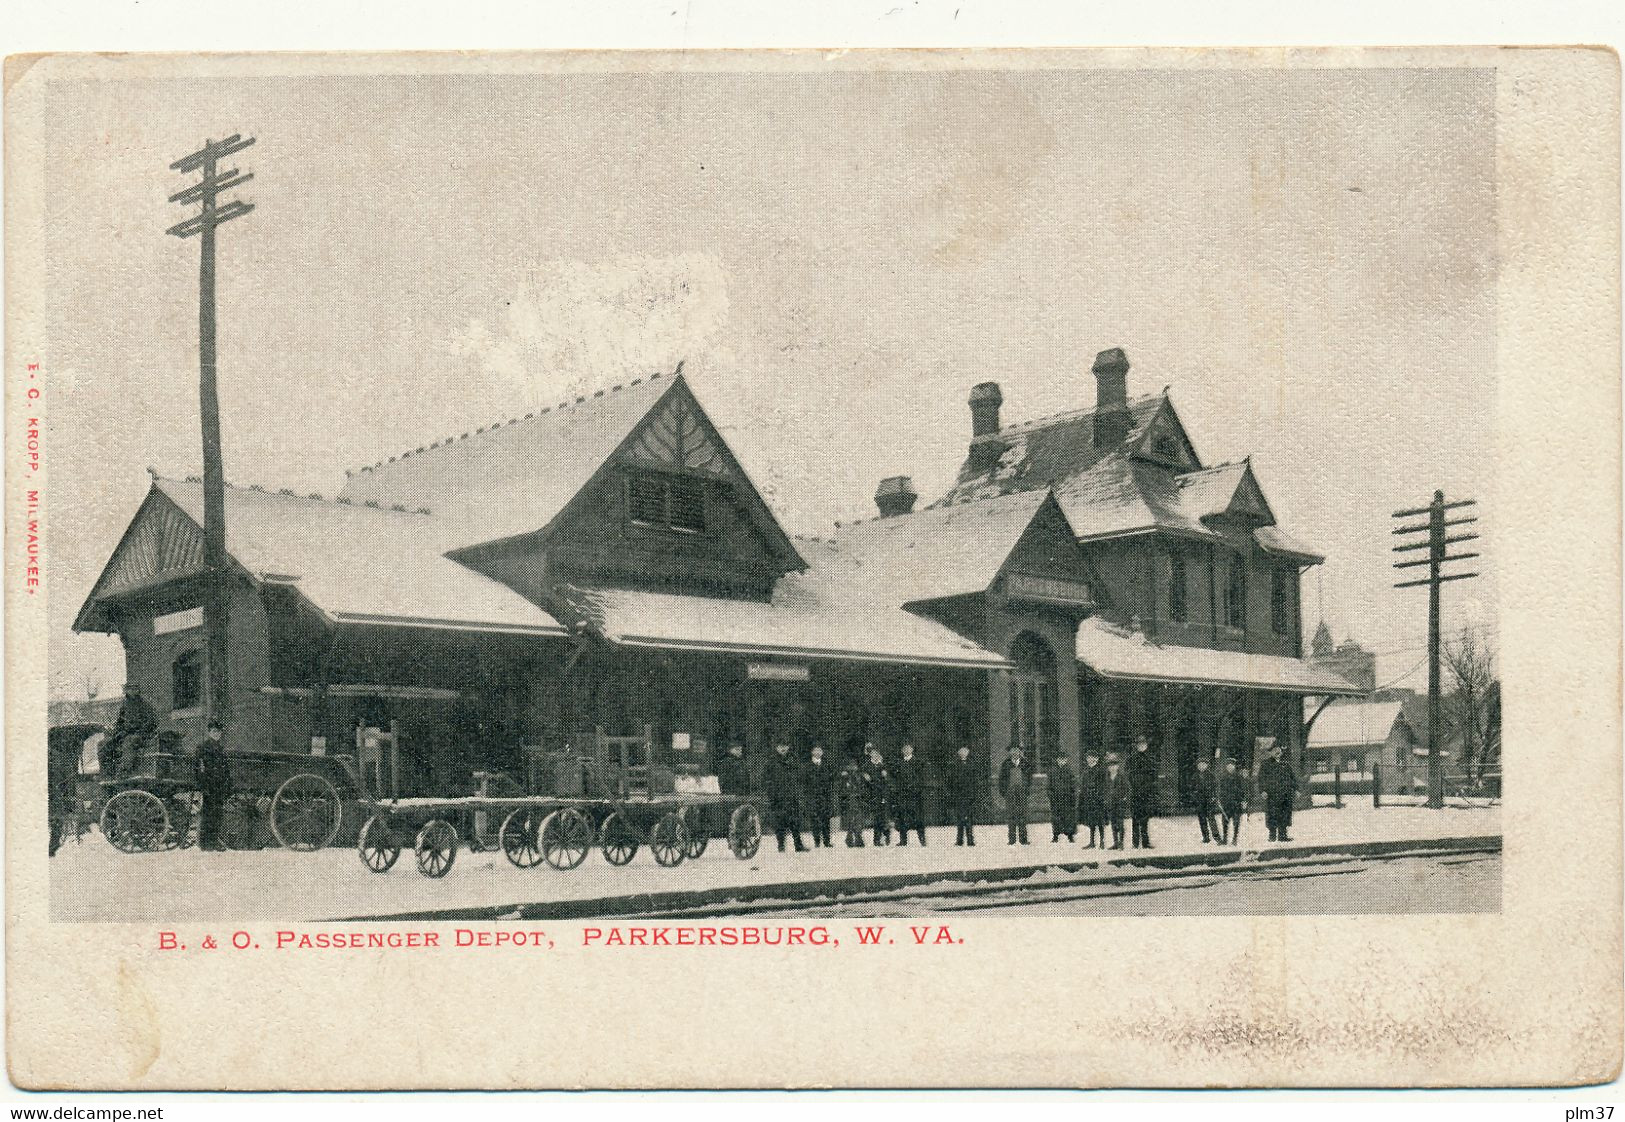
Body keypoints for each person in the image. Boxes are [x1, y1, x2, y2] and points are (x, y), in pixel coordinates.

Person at [103, 684, 157, 778]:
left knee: (129, 742)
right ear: (126, 690)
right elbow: (119, 723)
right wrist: (117, 734)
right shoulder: (125, 705)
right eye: (130, 689)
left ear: (138, 690)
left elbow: (152, 722)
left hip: (142, 736)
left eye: (135, 689)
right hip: (125, 735)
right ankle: (107, 773)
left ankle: (125, 771)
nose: (132, 691)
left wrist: (138, 731)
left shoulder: (145, 705)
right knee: (104, 745)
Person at [194, 721, 232, 851]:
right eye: (214, 732)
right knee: (208, 813)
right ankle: (206, 843)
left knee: (217, 814)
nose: (217, 734)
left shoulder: (221, 749)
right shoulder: (203, 747)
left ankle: (213, 841)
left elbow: (226, 769)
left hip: (219, 785)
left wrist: (227, 784)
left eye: (219, 732)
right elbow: (198, 767)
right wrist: (202, 784)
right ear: (209, 732)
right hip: (209, 785)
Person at [764, 742, 807, 853]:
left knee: (795, 822)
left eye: (785, 746)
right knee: (779, 822)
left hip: (792, 796)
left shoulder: (793, 760)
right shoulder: (771, 762)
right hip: (778, 797)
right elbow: (766, 780)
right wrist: (772, 794)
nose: (783, 748)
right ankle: (781, 846)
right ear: (776, 747)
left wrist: (797, 791)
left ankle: (798, 845)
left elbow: (800, 777)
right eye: (780, 746)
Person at [1258, 743, 1300, 842]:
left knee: (1285, 814)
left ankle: (1283, 836)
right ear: (1271, 752)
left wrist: (1296, 789)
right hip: (1272, 795)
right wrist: (1263, 790)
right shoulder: (1265, 764)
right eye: (1275, 750)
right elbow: (1261, 779)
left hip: (1285, 794)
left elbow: (1292, 778)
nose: (1277, 752)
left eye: (1279, 750)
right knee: (1272, 814)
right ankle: (1272, 836)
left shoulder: (1285, 764)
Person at [1127, 736, 1159, 849]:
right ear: (1136, 746)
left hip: (1146, 793)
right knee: (1135, 818)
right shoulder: (1131, 759)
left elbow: (1154, 776)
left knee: (1145, 818)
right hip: (1135, 793)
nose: (1141, 746)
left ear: (1146, 745)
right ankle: (1135, 842)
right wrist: (1136, 786)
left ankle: (1145, 842)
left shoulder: (1150, 759)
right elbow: (1129, 776)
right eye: (1139, 744)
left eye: (1143, 744)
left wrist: (1149, 787)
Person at [998, 746, 1034, 845]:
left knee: (1022, 816)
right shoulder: (1005, 764)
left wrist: (1026, 790)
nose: (1015, 753)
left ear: (1020, 752)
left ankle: (1023, 839)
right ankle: (1012, 840)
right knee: (1011, 816)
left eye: (1017, 751)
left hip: (1022, 793)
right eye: (1012, 751)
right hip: (1010, 793)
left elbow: (1029, 779)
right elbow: (1001, 780)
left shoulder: (1025, 764)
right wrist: (1004, 792)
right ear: (1009, 752)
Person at [892, 743, 927, 846]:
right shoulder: (898, 763)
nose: (906, 750)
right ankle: (903, 841)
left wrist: (917, 789)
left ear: (912, 749)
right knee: (902, 817)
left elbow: (921, 778)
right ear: (902, 750)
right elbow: (895, 779)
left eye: (908, 748)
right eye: (904, 749)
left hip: (915, 795)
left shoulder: (918, 762)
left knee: (918, 817)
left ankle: (922, 840)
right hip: (902, 795)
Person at [803, 744, 836, 848]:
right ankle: (817, 841)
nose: (817, 752)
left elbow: (831, 781)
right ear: (812, 752)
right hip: (812, 797)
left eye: (819, 750)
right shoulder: (807, 766)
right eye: (815, 750)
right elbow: (804, 783)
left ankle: (827, 841)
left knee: (826, 819)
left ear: (822, 752)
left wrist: (830, 794)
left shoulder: (827, 765)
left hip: (825, 797)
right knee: (815, 820)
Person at [947, 744, 980, 846]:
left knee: (969, 818)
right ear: (958, 753)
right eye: (961, 751)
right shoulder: (953, 765)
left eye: (965, 751)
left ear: (968, 752)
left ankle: (970, 840)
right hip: (958, 795)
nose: (963, 753)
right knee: (960, 818)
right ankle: (959, 840)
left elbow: (975, 781)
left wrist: (974, 794)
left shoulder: (972, 765)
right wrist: (952, 793)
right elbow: (950, 780)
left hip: (969, 796)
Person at [859, 744, 892, 846]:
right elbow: (863, 782)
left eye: (877, 753)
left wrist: (886, 776)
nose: (875, 755)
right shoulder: (865, 767)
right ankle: (877, 839)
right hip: (873, 795)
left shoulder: (884, 766)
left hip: (884, 794)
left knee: (884, 817)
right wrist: (866, 778)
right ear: (870, 754)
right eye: (873, 753)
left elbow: (889, 780)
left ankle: (885, 834)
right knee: (877, 818)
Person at [1078, 748, 1108, 849]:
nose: (1091, 760)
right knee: (1091, 822)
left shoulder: (1101, 771)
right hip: (1089, 800)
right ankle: (1092, 842)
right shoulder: (1086, 772)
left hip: (1098, 800)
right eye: (1089, 758)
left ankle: (1102, 842)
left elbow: (1104, 785)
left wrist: (1102, 797)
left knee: (1100, 822)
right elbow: (1083, 786)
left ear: (1097, 759)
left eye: (1093, 758)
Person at [1048, 753, 1078, 843]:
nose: (1062, 761)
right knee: (1056, 818)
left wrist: (1073, 796)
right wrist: (1051, 797)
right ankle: (1055, 836)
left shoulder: (1069, 771)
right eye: (1060, 759)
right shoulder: (1052, 771)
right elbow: (1049, 786)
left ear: (1066, 760)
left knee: (1068, 818)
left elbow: (1073, 785)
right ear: (1057, 760)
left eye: (1063, 759)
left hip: (1067, 799)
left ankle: (1070, 836)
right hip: (1056, 799)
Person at [1191, 756, 1221, 844]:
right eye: (1200, 765)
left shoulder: (1211, 775)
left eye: (1204, 764)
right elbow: (1192, 789)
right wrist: (1195, 798)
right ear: (1197, 766)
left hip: (1209, 801)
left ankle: (1217, 837)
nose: (1202, 766)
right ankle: (1206, 837)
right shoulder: (1195, 776)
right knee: (1202, 819)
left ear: (1207, 765)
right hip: (1200, 802)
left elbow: (1215, 788)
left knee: (1211, 819)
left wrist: (1213, 797)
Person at [1217, 757, 1247, 845]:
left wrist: (1243, 800)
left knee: (1236, 822)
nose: (1230, 767)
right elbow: (1220, 790)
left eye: (1232, 765)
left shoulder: (1239, 777)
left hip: (1236, 802)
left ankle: (1235, 839)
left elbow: (1243, 789)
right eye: (1228, 765)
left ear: (1234, 766)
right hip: (1226, 803)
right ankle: (1225, 839)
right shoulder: (1222, 777)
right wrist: (1220, 799)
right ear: (1226, 767)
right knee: (1225, 821)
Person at [1104, 753, 1131, 850]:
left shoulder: (1122, 776)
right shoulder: (1106, 777)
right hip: (1111, 803)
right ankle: (1115, 842)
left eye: (1114, 765)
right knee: (1113, 823)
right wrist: (1106, 800)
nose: (1112, 767)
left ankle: (1121, 842)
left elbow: (1128, 789)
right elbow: (1105, 789)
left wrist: (1124, 798)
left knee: (1120, 823)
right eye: (1110, 765)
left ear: (1118, 766)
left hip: (1120, 803)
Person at [838, 760, 867, 848]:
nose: (852, 768)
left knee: (857, 819)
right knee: (851, 819)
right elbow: (841, 789)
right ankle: (853, 838)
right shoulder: (844, 777)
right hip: (848, 801)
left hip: (857, 800)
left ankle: (855, 838)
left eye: (854, 766)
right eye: (850, 766)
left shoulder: (859, 776)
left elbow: (863, 787)